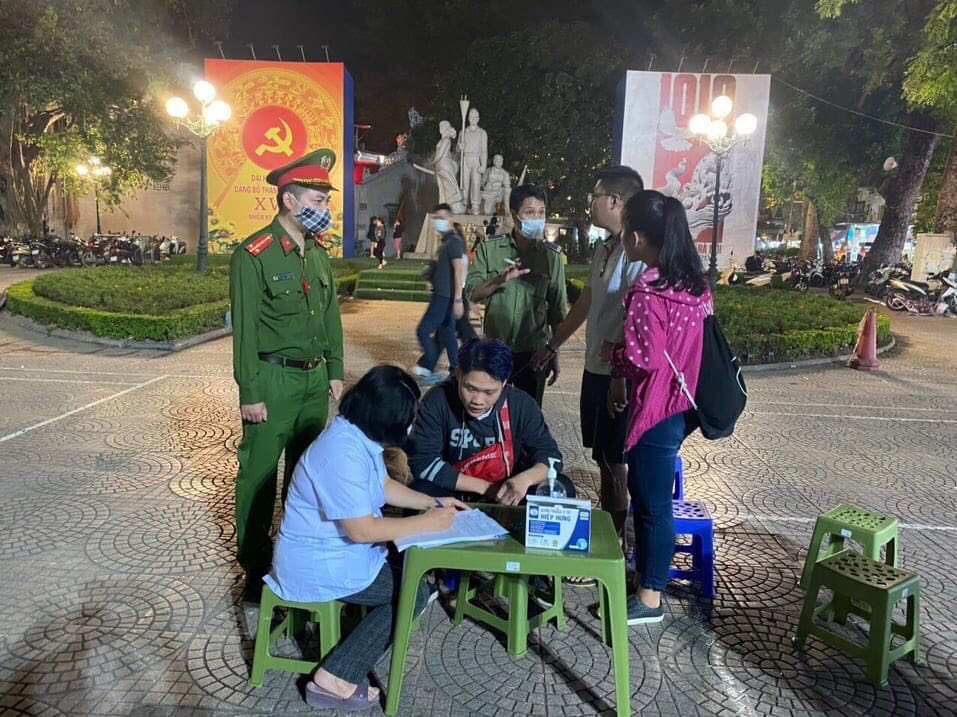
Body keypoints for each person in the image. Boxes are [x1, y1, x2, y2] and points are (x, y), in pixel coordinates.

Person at [265, 366, 467, 710]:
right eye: (407, 419)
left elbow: (382, 486)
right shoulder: (340, 452)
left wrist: (432, 502)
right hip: (318, 563)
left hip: (339, 555)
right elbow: (361, 530)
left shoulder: (358, 437)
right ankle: (334, 678)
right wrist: (427, 523)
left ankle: (345, 659)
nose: (410, 426)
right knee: (413, 592)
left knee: (412, 580)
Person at [229, 148, 345, 602]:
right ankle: (256, 567)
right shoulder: (254, 254)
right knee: (259, 476)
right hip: (272, 382)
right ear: (290, 201)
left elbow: (330, 314)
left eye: (325, 201)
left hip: (314, 383)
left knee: (307, 475)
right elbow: (246, 330)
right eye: (317, 201)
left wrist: (335, 369)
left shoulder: (317, 254)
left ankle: (299, 555)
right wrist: (250, 391)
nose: (324, 210)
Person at [599, 190, 712, 625]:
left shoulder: (648, 289)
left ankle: (649, 597)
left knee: (651, 504)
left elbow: (644, 358)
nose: (624, 237)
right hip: (683, 404)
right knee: (653, 499)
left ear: (640, 237)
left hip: (655, 408)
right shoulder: (694, 285)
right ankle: (647, 578)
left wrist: (614, 353)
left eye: (627, 230)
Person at [531, 167, 645, 555]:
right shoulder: (605, 248)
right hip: (595, 370)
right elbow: (585, 302)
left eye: (594, 196)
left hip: (619, 376)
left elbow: (638, 317)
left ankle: (615, 547)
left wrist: (620, 373)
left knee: (616, 461)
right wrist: (553, 343)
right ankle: (610, 531)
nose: (589, 203)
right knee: (602, 457)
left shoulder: (637, 251)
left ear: (614, 200)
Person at [406, 338, 575, 504]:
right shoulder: (437, 400)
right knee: (419, 491)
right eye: (470, 388)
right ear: (458, 374)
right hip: (455, 490)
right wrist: (487, 488)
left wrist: (524, 480)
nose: (478, 400)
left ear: (504, 382)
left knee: (562, 488)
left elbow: (551, 456)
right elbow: (423, 462)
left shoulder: (521, 405)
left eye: (489, 392)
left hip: (510, 491)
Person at [466, 184, 568, 407]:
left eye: (541, 212)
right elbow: (472, 293)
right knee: (490, 415)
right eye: (530, 212)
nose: (537, 218)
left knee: (528, 418)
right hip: (495, 352)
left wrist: (554, 352)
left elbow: (558, 310)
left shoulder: (551, 257)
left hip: (534, 354)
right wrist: (500, 279)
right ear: (514, 215)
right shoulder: (489, 249)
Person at [411, 204, 466, 385]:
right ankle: (456, 369)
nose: (438, 222)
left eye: (442, 217)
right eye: (436, 218)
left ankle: (428, 366)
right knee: (446, 333)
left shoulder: (454, 242)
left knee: (423, 331)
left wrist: (458, 299)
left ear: (450, 218)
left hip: (445, 297)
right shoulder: (446, 242)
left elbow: (459, 270)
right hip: (443, 294)